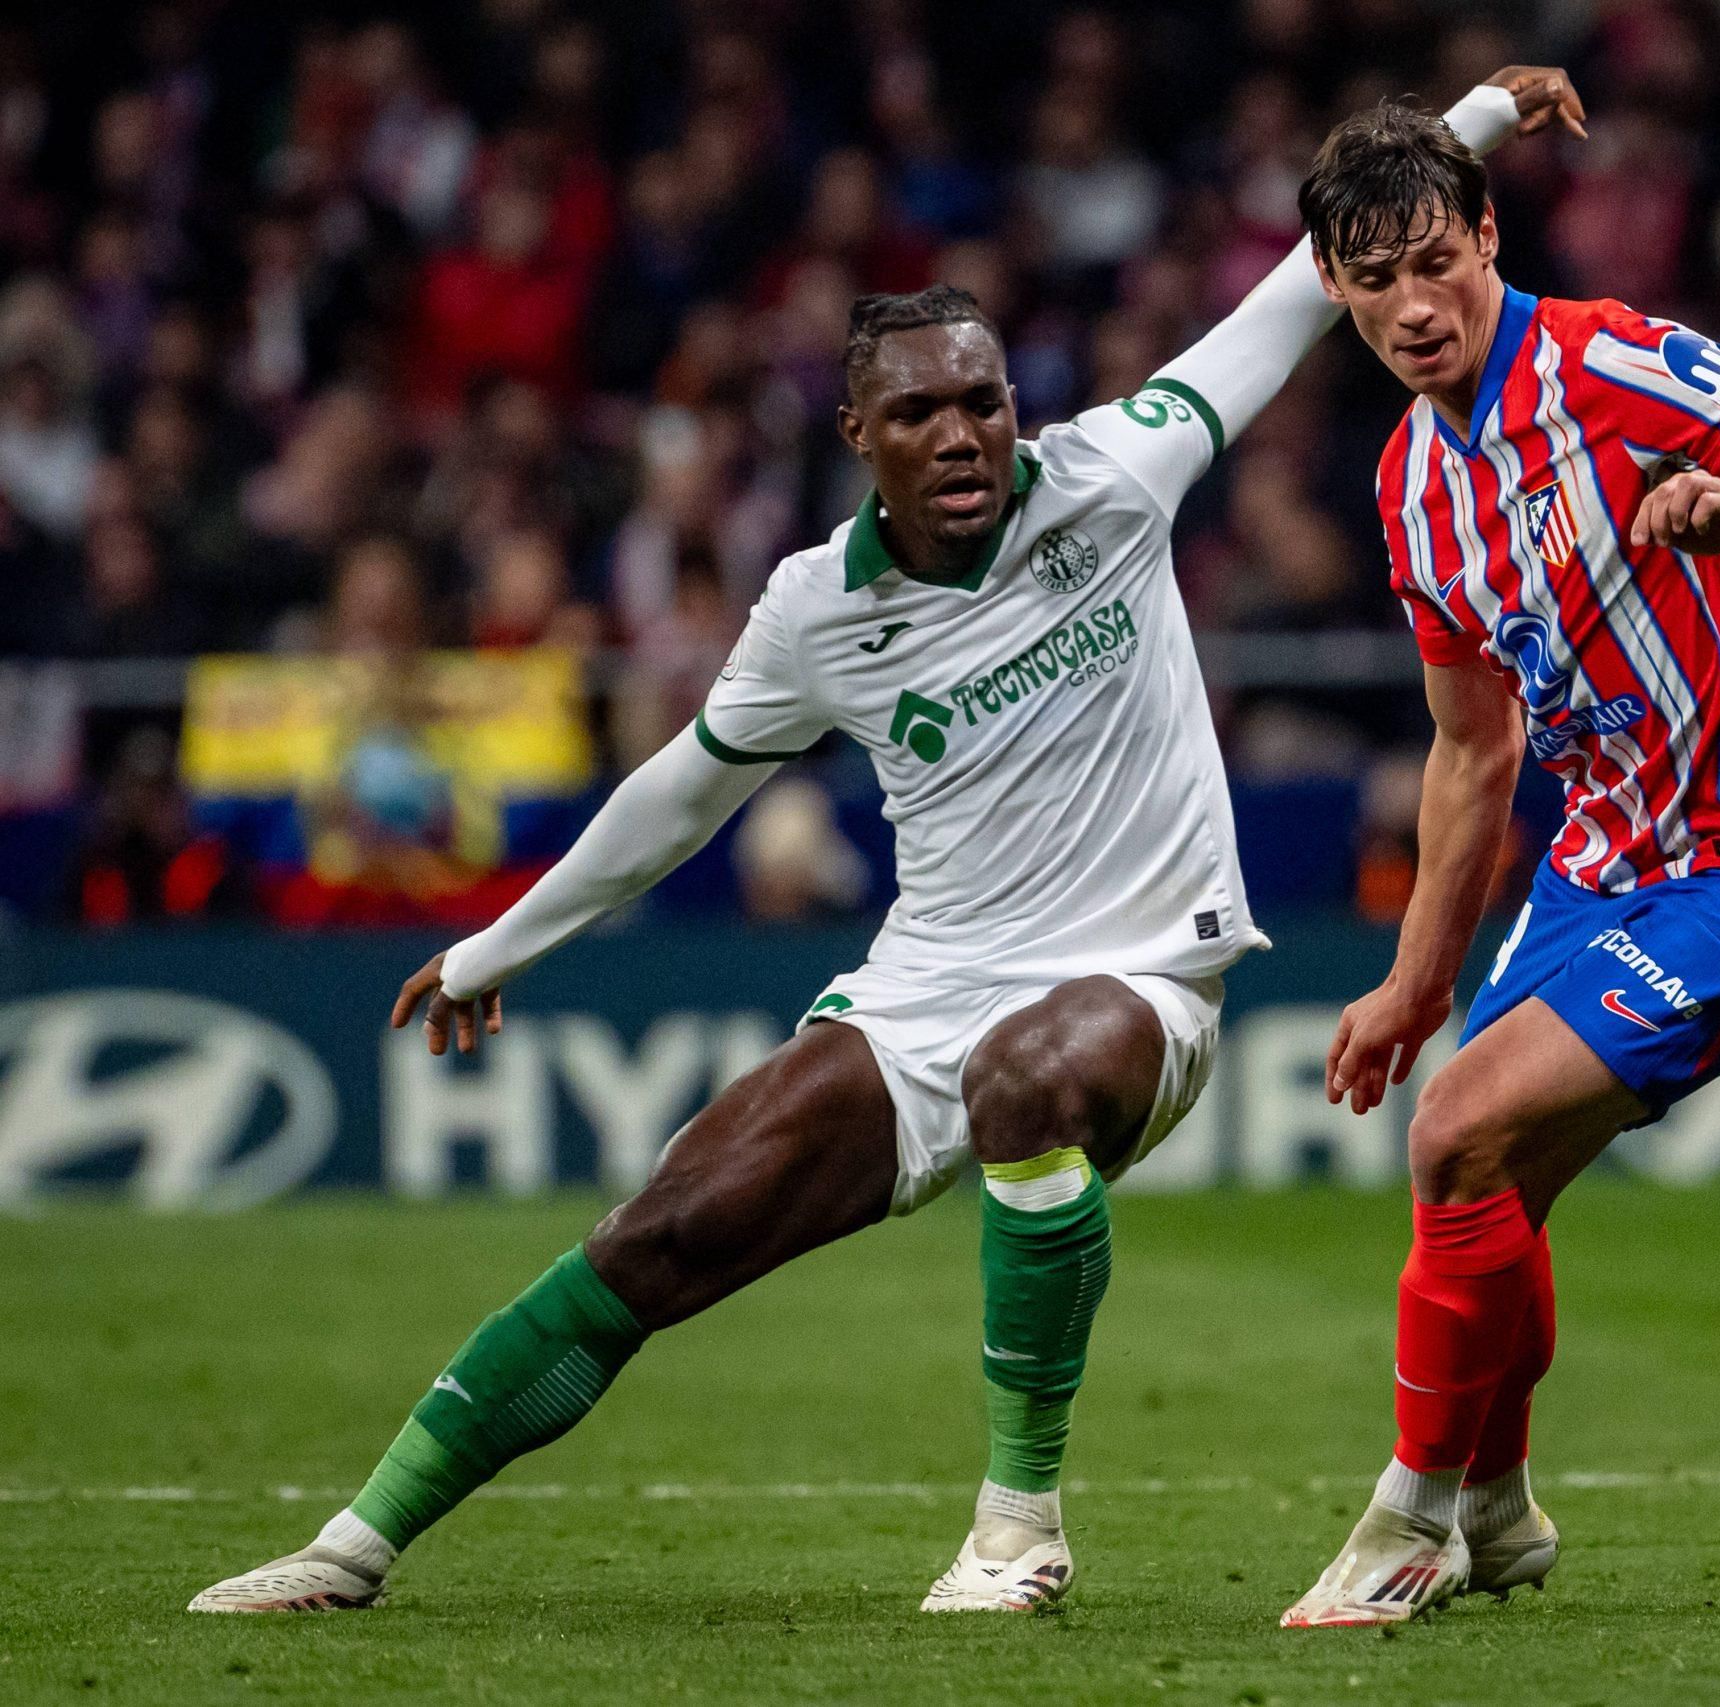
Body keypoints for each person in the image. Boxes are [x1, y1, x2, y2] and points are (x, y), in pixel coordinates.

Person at [186, 68, 1579, 1620]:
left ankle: (1017, 1525)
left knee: (1030, 1082)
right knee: (658, 1233)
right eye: (916, 410)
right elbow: (678, 792)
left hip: (1139, 980)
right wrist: (498, 943)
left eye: (981, 398)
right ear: (859, 432)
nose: (962, 432)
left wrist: (1475, 118)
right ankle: (355, 1540)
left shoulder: (1122, 465)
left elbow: (1295, 295)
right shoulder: (813, 611)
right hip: (921, 995)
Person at [1279, 100, 1720, 1627]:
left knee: (1455, 1130)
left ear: (1489, 236)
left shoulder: (1612, 360)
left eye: (1437, 262)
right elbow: (1471, 750)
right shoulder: (1407, 486)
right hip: (1600, 862)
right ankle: (1499, 1509)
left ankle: (1408, 1519)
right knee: (1485, 1176)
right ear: (1333, 284)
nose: (1416, 306)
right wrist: (1411, 978)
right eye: (1376, 280)